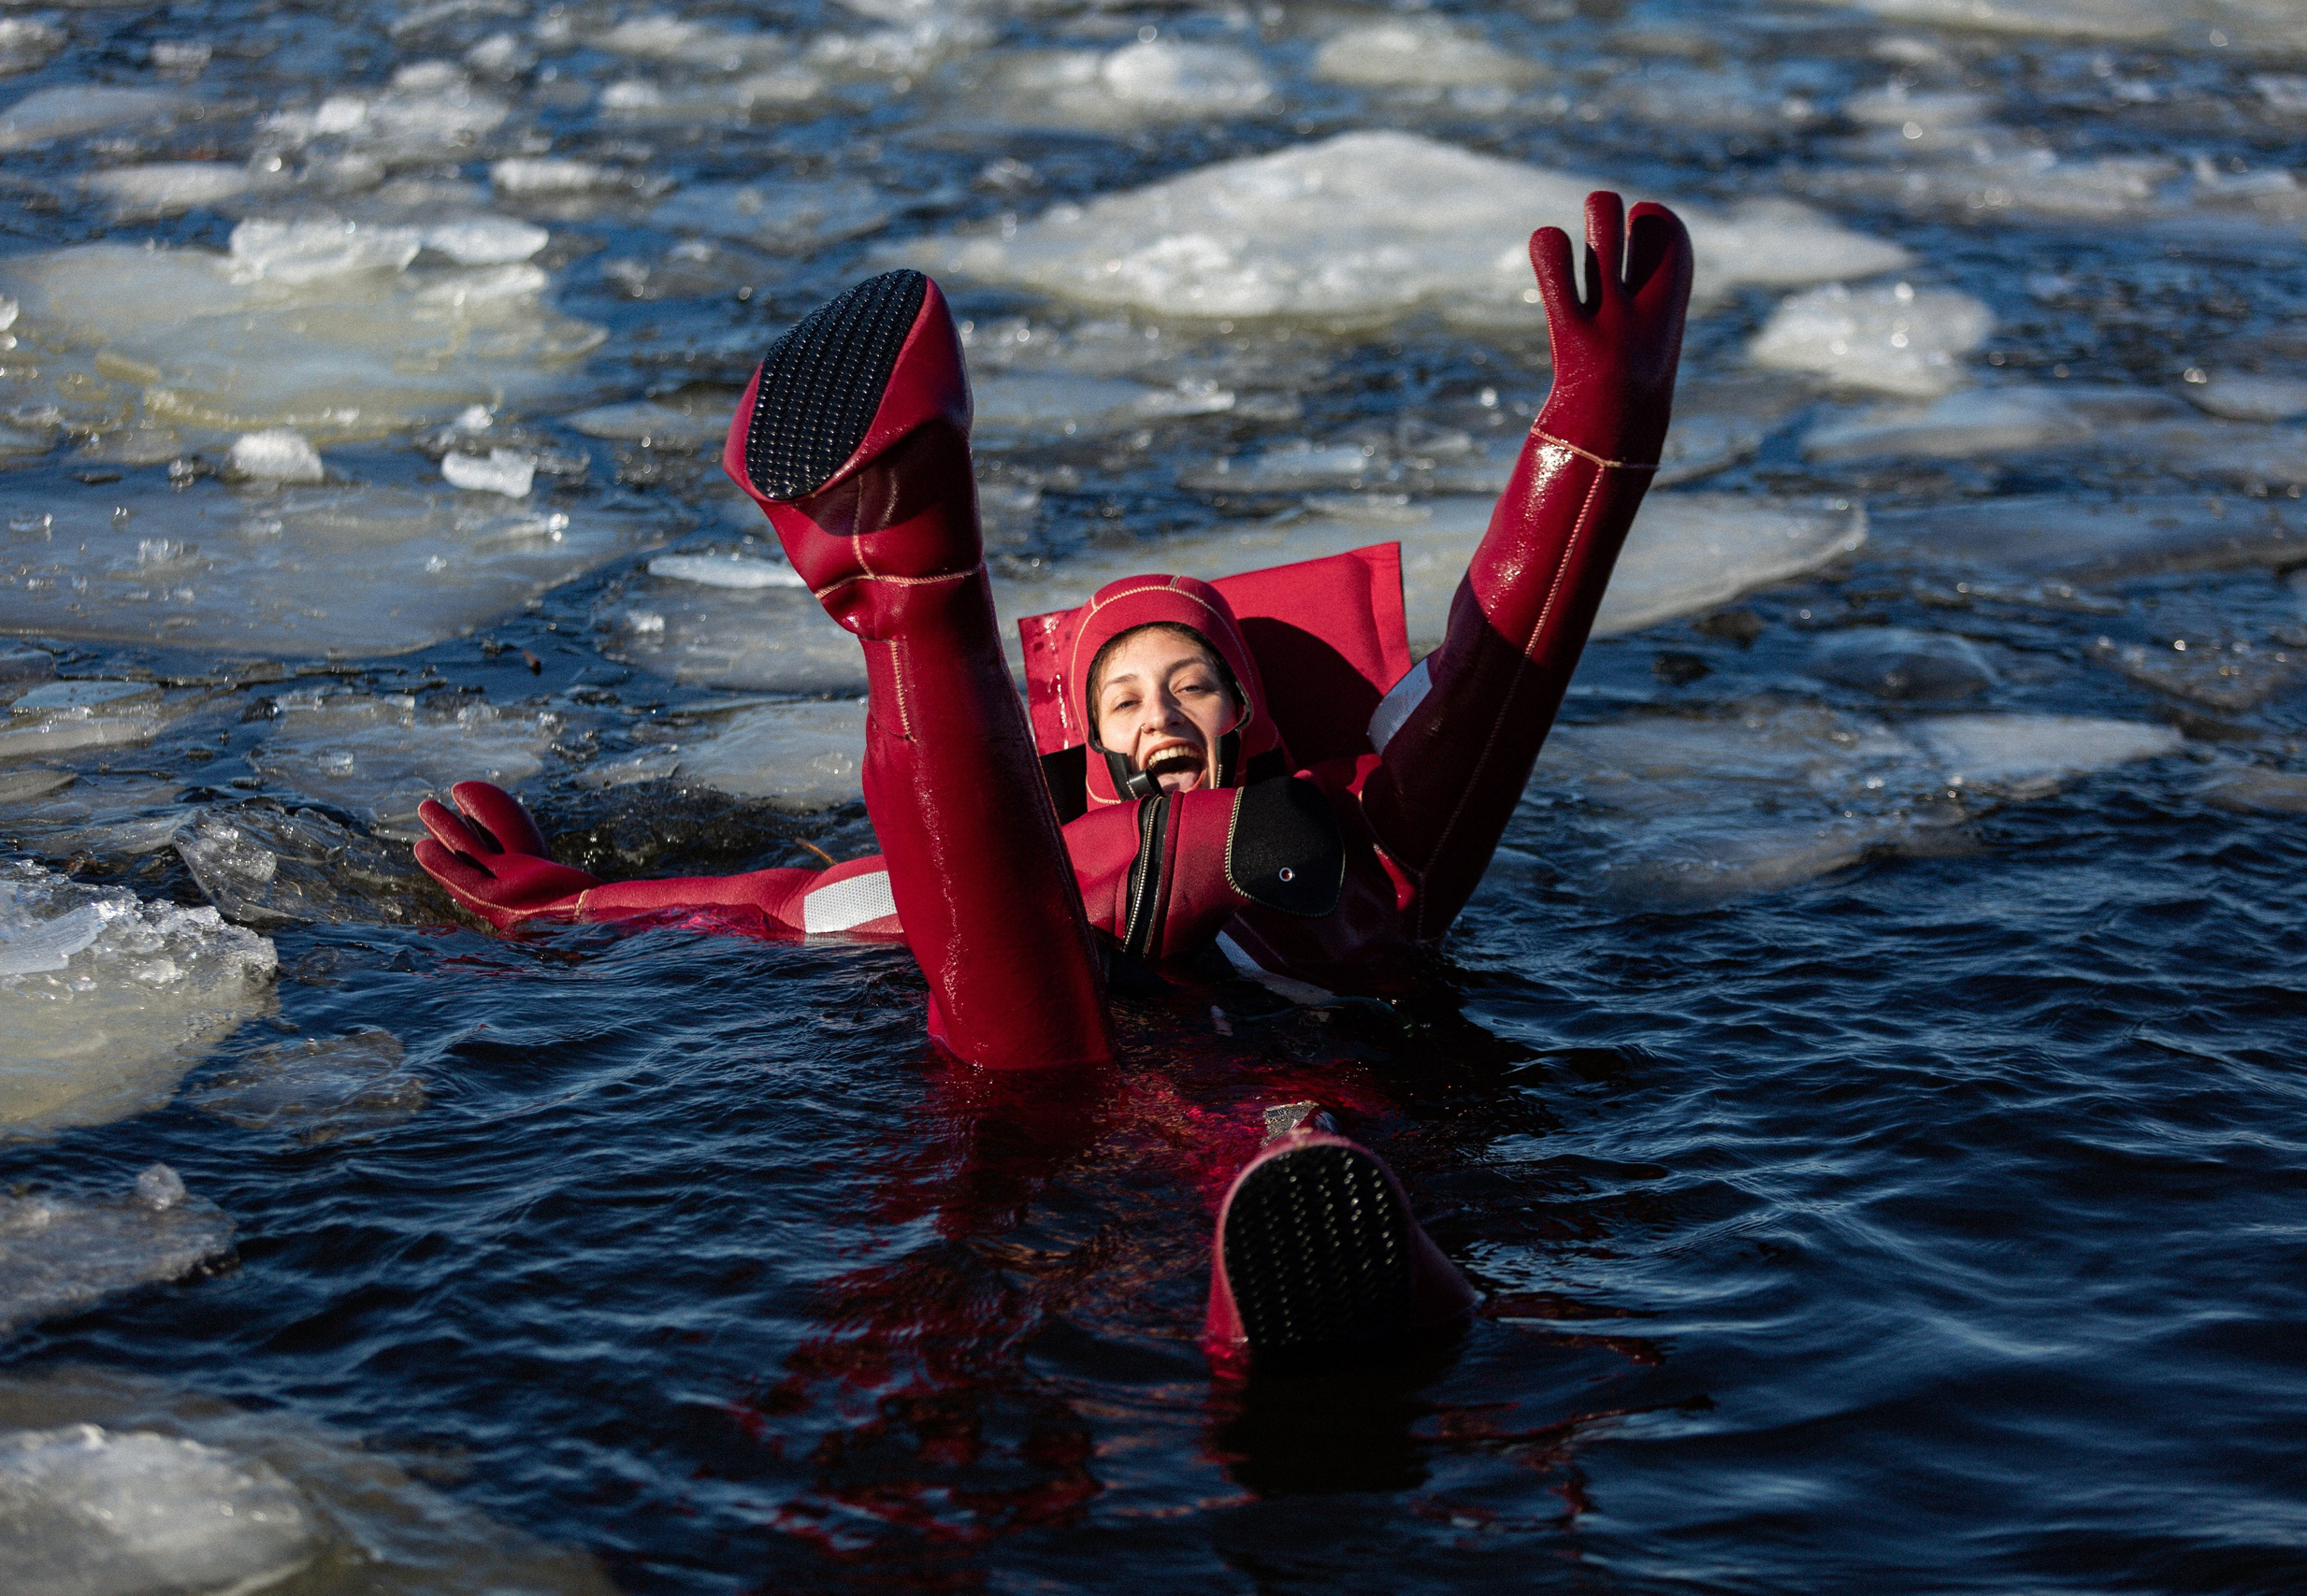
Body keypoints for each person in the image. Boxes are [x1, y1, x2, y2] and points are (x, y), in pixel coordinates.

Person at [415, 194, 1693, 1365]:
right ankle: (906, 569)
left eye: (1193, 685)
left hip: (1314, 1088)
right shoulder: (1038, 870)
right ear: (1086, 746)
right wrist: (562, 901)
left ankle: (1307, 1249)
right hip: (1071, 1078)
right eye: (1124, 700)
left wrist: (1597, 443)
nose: (1161, 714)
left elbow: (1486, 683)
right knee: (1007, 980)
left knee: (1342, 947)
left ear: (1249, 711)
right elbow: (786, 905)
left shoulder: (1350, 838)